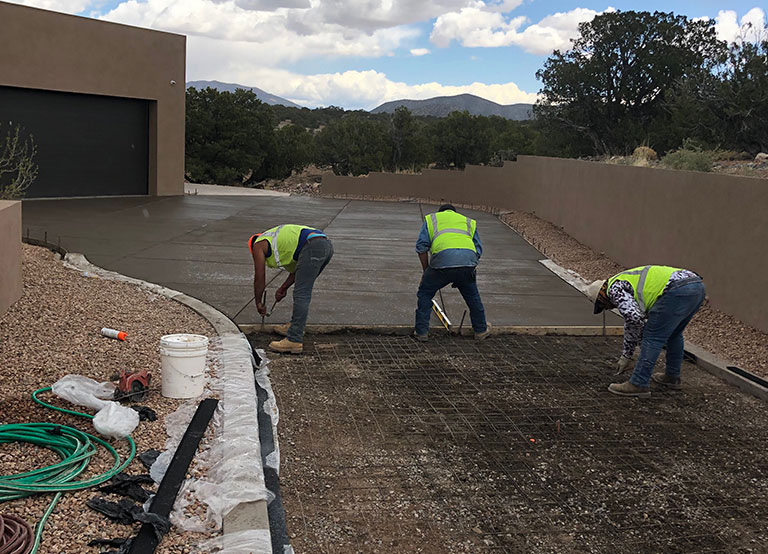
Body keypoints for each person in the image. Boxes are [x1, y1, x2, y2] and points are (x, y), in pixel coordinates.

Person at [587, 265, 705, 398]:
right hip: (696, 286)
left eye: (603, 306)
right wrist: (627, 355)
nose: (609, 308)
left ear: (602, 297)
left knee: (652, 337)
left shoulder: (614, 289)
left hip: (676, 290)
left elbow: (634, 318)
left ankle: (638, 383)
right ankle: (672, 377)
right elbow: (632, 320)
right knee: (674, 334)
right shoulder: (624, 279)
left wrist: (630, 353)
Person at [249, 224, 333, 354]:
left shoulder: (258, 245)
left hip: (313, 246)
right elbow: (297, 272)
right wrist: (283, 288)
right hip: (324, 245)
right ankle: (294, 327)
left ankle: (294, 339)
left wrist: (258, 302)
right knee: (303, 290)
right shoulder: (281, 242)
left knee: (302, 293)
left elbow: (259, 276)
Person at [414, 204, 491, 341]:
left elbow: (421, 247)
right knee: (472, 296)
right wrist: (467, 266)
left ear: (440, 213)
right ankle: (480, 330)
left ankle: (421, 332)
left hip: (441, 263)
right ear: (454, 213)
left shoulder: (432, 219)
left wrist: (426, 271)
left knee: (425, 293)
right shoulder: (468, 222)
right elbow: (478, 250)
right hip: (467, 263)